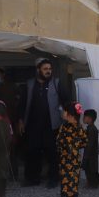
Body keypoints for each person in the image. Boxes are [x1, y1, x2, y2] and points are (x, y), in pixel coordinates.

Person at [18, 58, 69, 188]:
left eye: (50, 69)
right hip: (33, 126)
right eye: (45, 69)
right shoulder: (30, 84)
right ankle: (32, 179)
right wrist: (21, 120)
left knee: (52, 153)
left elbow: (66, 101)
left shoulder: (56, 83)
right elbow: (22, 103)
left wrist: (66, 115)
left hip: (51, 126)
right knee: (32, 152)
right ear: (38, 70)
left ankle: (53, 179)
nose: (48, 71)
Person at [57, 101, 88, 197]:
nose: (63, 113)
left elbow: (59, 142)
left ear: (70, 114)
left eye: (65, 111)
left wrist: (66, 148)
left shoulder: (65, 127)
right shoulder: (79, 127)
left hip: (67, 160)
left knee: (69, 183)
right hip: (75, 159)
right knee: (72, 181)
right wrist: (76, 147)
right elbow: (85, 141)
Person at [82, 109, 99, 188]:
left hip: (90, 154)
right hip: (91, 153)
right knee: (90, 168)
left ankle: (93, 183)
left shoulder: (92, 129)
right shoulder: (90, 128)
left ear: (90, 119)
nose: (83, 118)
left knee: (90, 168)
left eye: (84, 117)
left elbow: (89, 144)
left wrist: (86, 156)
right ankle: (92, 182)